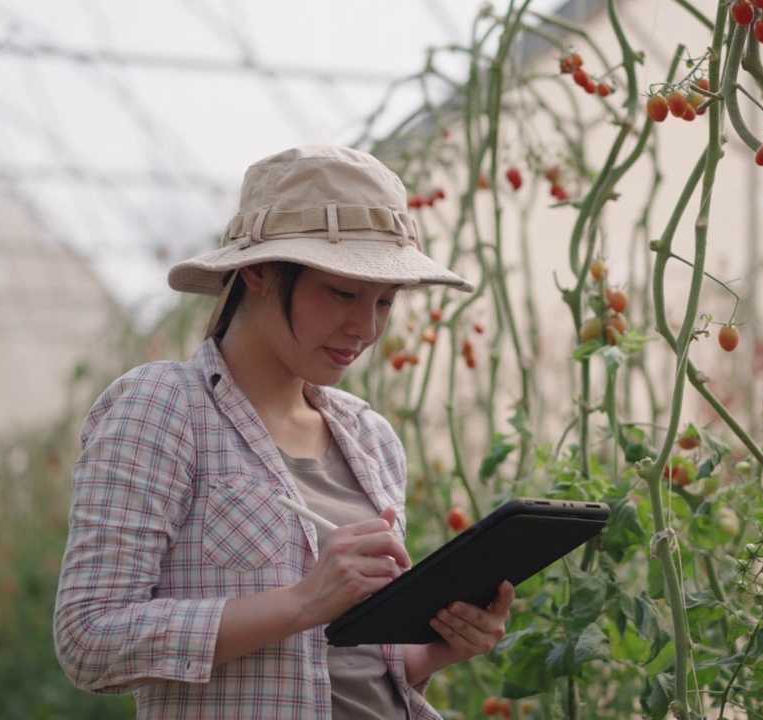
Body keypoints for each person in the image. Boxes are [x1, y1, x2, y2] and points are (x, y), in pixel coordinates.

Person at [53, 145, 513, 719]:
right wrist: (301, 602)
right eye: (343, 293)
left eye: (385, 302)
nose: (365, 328)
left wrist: (442, 647)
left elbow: (356, 670)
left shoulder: (371, 439)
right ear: (259, 270)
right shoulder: (165, 408)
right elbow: (89, 640)